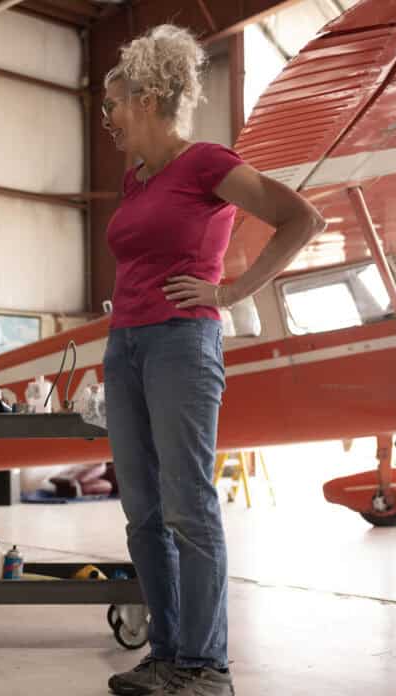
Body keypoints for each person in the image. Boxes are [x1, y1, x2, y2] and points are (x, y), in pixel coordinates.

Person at [100, 25, 325, 696]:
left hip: (180, 343)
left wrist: (229, 291)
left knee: (187, 507)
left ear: (145, 100)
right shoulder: (136, 179)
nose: (108, 118)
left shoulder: (204, 163)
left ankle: (205, 667)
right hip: (125, 347)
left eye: (113, 104)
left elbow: (301, 219)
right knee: (143, 513)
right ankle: (167, 655)